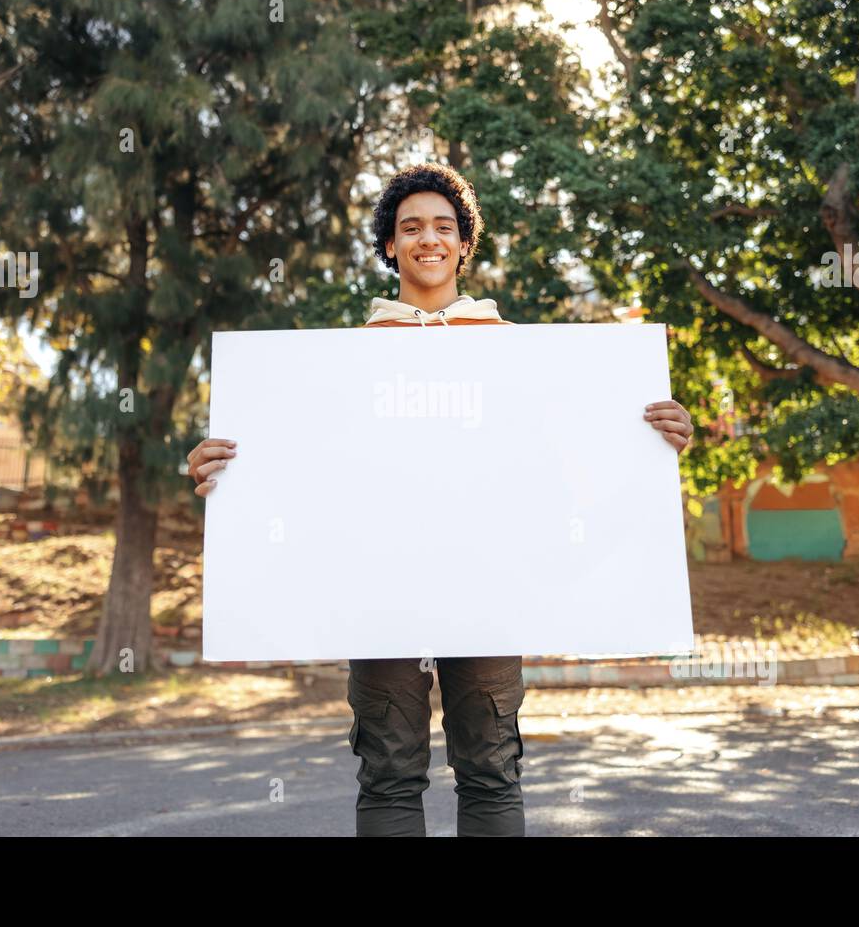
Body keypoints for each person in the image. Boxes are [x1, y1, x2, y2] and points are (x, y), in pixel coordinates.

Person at [186, 162, 694, 836]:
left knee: (491, 770)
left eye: (444, 227)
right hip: (381, 590)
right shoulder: (341, 361)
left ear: (464, 244)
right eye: (411, 227)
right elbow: (304, 465)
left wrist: (653, 437)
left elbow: (571, 450)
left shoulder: (519, 353)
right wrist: (221, 467)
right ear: (390, 246)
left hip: (490, 586)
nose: (429, 238)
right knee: (389, 772)